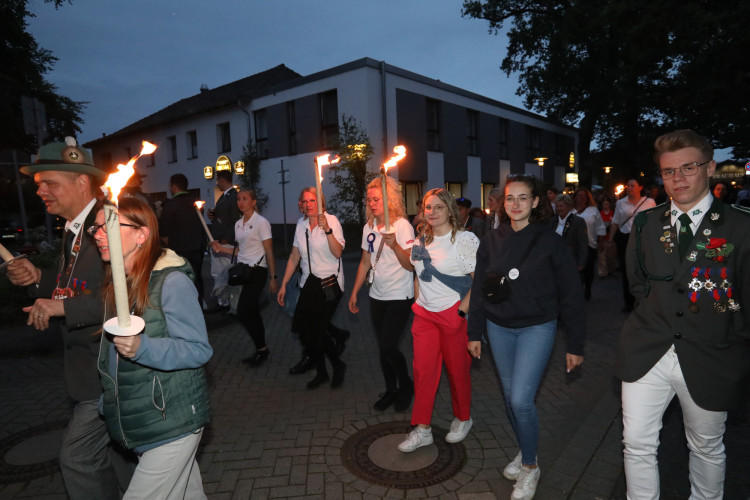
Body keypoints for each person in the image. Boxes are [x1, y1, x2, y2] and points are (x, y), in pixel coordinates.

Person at [615, 129, 750, 500]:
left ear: (710, 168)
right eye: (669, 171)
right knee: (637, 444)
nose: (678, 179)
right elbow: (638, 285)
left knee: (706, 445)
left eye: (688, 167)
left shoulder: (741, 225)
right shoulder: (645, 224)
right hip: (648, 350)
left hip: (712, 353)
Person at [5, 137, 131, 498]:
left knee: (77, 458)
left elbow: (130, 300)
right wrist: (38, 280)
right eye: (38, 184)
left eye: (50, 183)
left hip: (109, 370)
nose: (41, 191)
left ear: (80, 182)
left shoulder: (111, 225)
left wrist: (63, 308)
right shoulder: (73, 230)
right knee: (123, 457)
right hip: (85, 371)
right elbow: (72, 286)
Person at [468, 174, 586, 500]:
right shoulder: (492, 239)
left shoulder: (550, 242)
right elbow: (479, 288)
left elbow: (572, 296)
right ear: (503, 203)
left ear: (535, 202)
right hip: (498, 327)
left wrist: (575, 344)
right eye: (510, 198)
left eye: (523, 198)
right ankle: (524, 450)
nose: (515, 204)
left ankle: (531, 467)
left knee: (521, 399)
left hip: (537, 326)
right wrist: (473, 331)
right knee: (510, 398)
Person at [92, 197, 212, 499]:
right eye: (95, 227)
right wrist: (112, 398)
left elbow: (198, 349)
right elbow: (112, 357)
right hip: (146, 420)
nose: (97, 234)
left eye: (108, 226)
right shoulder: (118, 286)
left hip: (172, 421)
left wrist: (143, 348)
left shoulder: (171, 282)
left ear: (141, 234)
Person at [397, 188, 479, 453]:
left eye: (438, 207)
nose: (432, 212)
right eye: (428, 207)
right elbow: (418, 275)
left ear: (450, 211)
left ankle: (463, 418)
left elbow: (478, 282)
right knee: (423, 373)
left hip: (454, 314)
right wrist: (419, 302)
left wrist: (461, 313)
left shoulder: (465, 239)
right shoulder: (421, 239)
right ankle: (422, 429)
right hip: (424, 316)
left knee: (457, 372)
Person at [348, 177, 415, 412]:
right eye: (370, 199)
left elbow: (410, 265)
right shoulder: (368, 227)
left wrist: (395, 244)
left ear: (389, 200)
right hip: (377, 295)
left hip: (400, 294)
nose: (372, 203)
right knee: (382, 347)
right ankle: (390, 390)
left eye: (377, 199)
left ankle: (406, 385)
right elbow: (365, 261)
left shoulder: (402, 225)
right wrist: (355, 291)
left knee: (388, 345)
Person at [277, 187, 347, 389]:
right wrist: (283, 284)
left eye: (312, 201)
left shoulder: (331, 221)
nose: (308, 205)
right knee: (303, 330)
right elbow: (293, 257)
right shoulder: (301, 225)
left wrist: (327, 230)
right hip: (309, 283)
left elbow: (338, 252)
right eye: (304, 201)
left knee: (318, 331)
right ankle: (323, 371)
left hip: (330, 283)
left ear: (321, 203)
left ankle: (335, 366)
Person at [210, 189, 278, 365]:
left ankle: (262, 349)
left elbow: (269, 250)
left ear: (254, 202)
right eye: (239, 199)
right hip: (242, 270)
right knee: (250, 311)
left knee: (244, 310)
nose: (241, 202)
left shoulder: (261, 223)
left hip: (258, 271)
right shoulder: (238, 224)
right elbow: (239, 250)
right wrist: (220, 248)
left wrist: (273, 276)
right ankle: (261, 349)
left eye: (245, 199)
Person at [608, 178, 656, 312]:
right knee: (627, 270)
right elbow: (615, 221)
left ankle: (645, 300)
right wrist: (611, 240)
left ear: (640, 187)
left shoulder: (649, 202)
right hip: (626, 238)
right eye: (628, 185)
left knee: (644, 268)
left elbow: (655, 221)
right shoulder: (621, 203)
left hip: (644, 238)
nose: (629, 188)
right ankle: (628, 301)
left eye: (632, 185)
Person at [159, 173, 206, 308]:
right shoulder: (196, 204)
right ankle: (199, 307)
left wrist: (172, 246)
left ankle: (186, 310)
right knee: (197, 278)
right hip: (197, 249)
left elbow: (164, 232)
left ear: (173, 186)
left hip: (179, 251)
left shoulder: (170, 205)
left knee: (181, 281)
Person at [208, 170, 240, 310]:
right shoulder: (223, 197)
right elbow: (223, 217)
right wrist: (213, 215)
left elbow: (234, 221)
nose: (217, 183)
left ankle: (226, 302)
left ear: (222, 180)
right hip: (219, 240)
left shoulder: (233, 197)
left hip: (226, 242)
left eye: (217, 180)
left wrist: (227, 238)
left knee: (224, 272)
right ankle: (222, 300)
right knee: (218, 273)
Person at [573, 187, 606, 300]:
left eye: (584, 196)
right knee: (575, 269)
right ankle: (577, 289)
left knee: (588, 269)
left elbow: (600, 226)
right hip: (574, 245)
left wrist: (601, 241)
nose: (582, 198)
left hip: (589, 243)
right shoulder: (570, 210)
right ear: (575, 197)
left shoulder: (593, 210)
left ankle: (587, 288)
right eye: (580, 195)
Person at [552, 194, 589, 271]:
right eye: (557, 206)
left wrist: (581, 263)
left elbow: (583, 243)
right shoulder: (552, 221)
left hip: (571, 261)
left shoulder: (578, 221)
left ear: (569, 207)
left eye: (561, 206)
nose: (559, 208)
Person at [597, 195, 617, 277]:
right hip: (602, 237)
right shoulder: (599, 214)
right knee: (601, 255)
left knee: (610, 255)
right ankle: (602, 272)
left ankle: (610, 269)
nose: (605, 206)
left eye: (607, 204)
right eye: (604, 205)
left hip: (611, 237)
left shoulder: (613, 213)